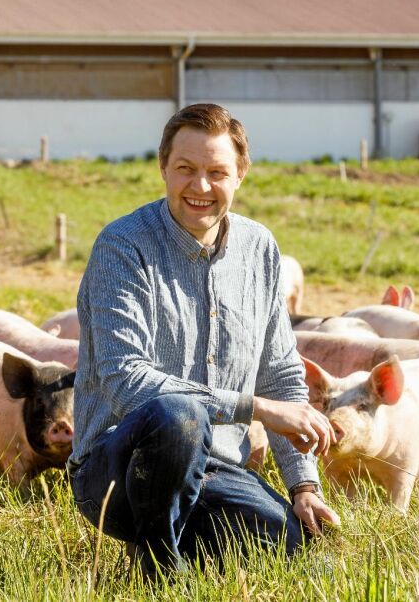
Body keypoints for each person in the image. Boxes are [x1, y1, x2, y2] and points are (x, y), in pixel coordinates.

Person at [67, 103, 340, 578]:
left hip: (215, 471)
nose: (201, 187)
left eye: (217, 172)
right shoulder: (123, 248)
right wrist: (254, 409)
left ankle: (179, 543)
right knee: (179, 412)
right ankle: (159, 571)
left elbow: (279, 376)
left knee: (292, 544)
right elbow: (125, 380)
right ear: (163, 169)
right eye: (186, 170)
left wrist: (303, 487)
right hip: (115, 471)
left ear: (241, 176)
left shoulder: (260, 251)